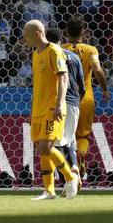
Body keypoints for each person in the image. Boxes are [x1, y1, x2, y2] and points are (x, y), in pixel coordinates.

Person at [23, 20, 78, 200]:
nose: (24, 39)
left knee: (47, 147)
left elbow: (64, 78)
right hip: (38, 109)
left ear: (38, 33)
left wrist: (59, 103)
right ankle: (49, 190)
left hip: (52, 107)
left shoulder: (55, 51)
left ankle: (70, 178)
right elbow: (38, 84)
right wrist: (32, 111)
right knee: (41, 148)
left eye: (26, 35)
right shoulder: (35, 54)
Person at [62, 16, 110, 179]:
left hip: (65, 99)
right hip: (85, 99)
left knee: (66, 136)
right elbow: (97, 69)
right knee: (83, 136)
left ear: (66, 32)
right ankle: (81, 155)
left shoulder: (60, 50)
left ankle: (66, 170)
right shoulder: (91, 50)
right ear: (83, 31)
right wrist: (104, 89)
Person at [46, 28, 86, 191]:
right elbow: (81, 85)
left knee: (57, 143)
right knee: (69, 140)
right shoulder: (75, 57)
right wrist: (77, 100)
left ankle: (67, 180)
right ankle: (74, 168)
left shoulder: (47, 54)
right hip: (74, 103)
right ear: (62, 39)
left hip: (56, 103)